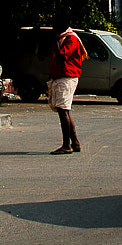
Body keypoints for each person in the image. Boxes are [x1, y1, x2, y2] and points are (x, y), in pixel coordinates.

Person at [47, 22, 86, 154]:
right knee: (65, 110)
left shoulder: (71, 38)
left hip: (67, 77)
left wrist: (57, 41)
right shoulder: (63, 37)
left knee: (63, 110)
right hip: (60, 77)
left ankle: (66, 145)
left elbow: (62, 56)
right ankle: (75, 143)